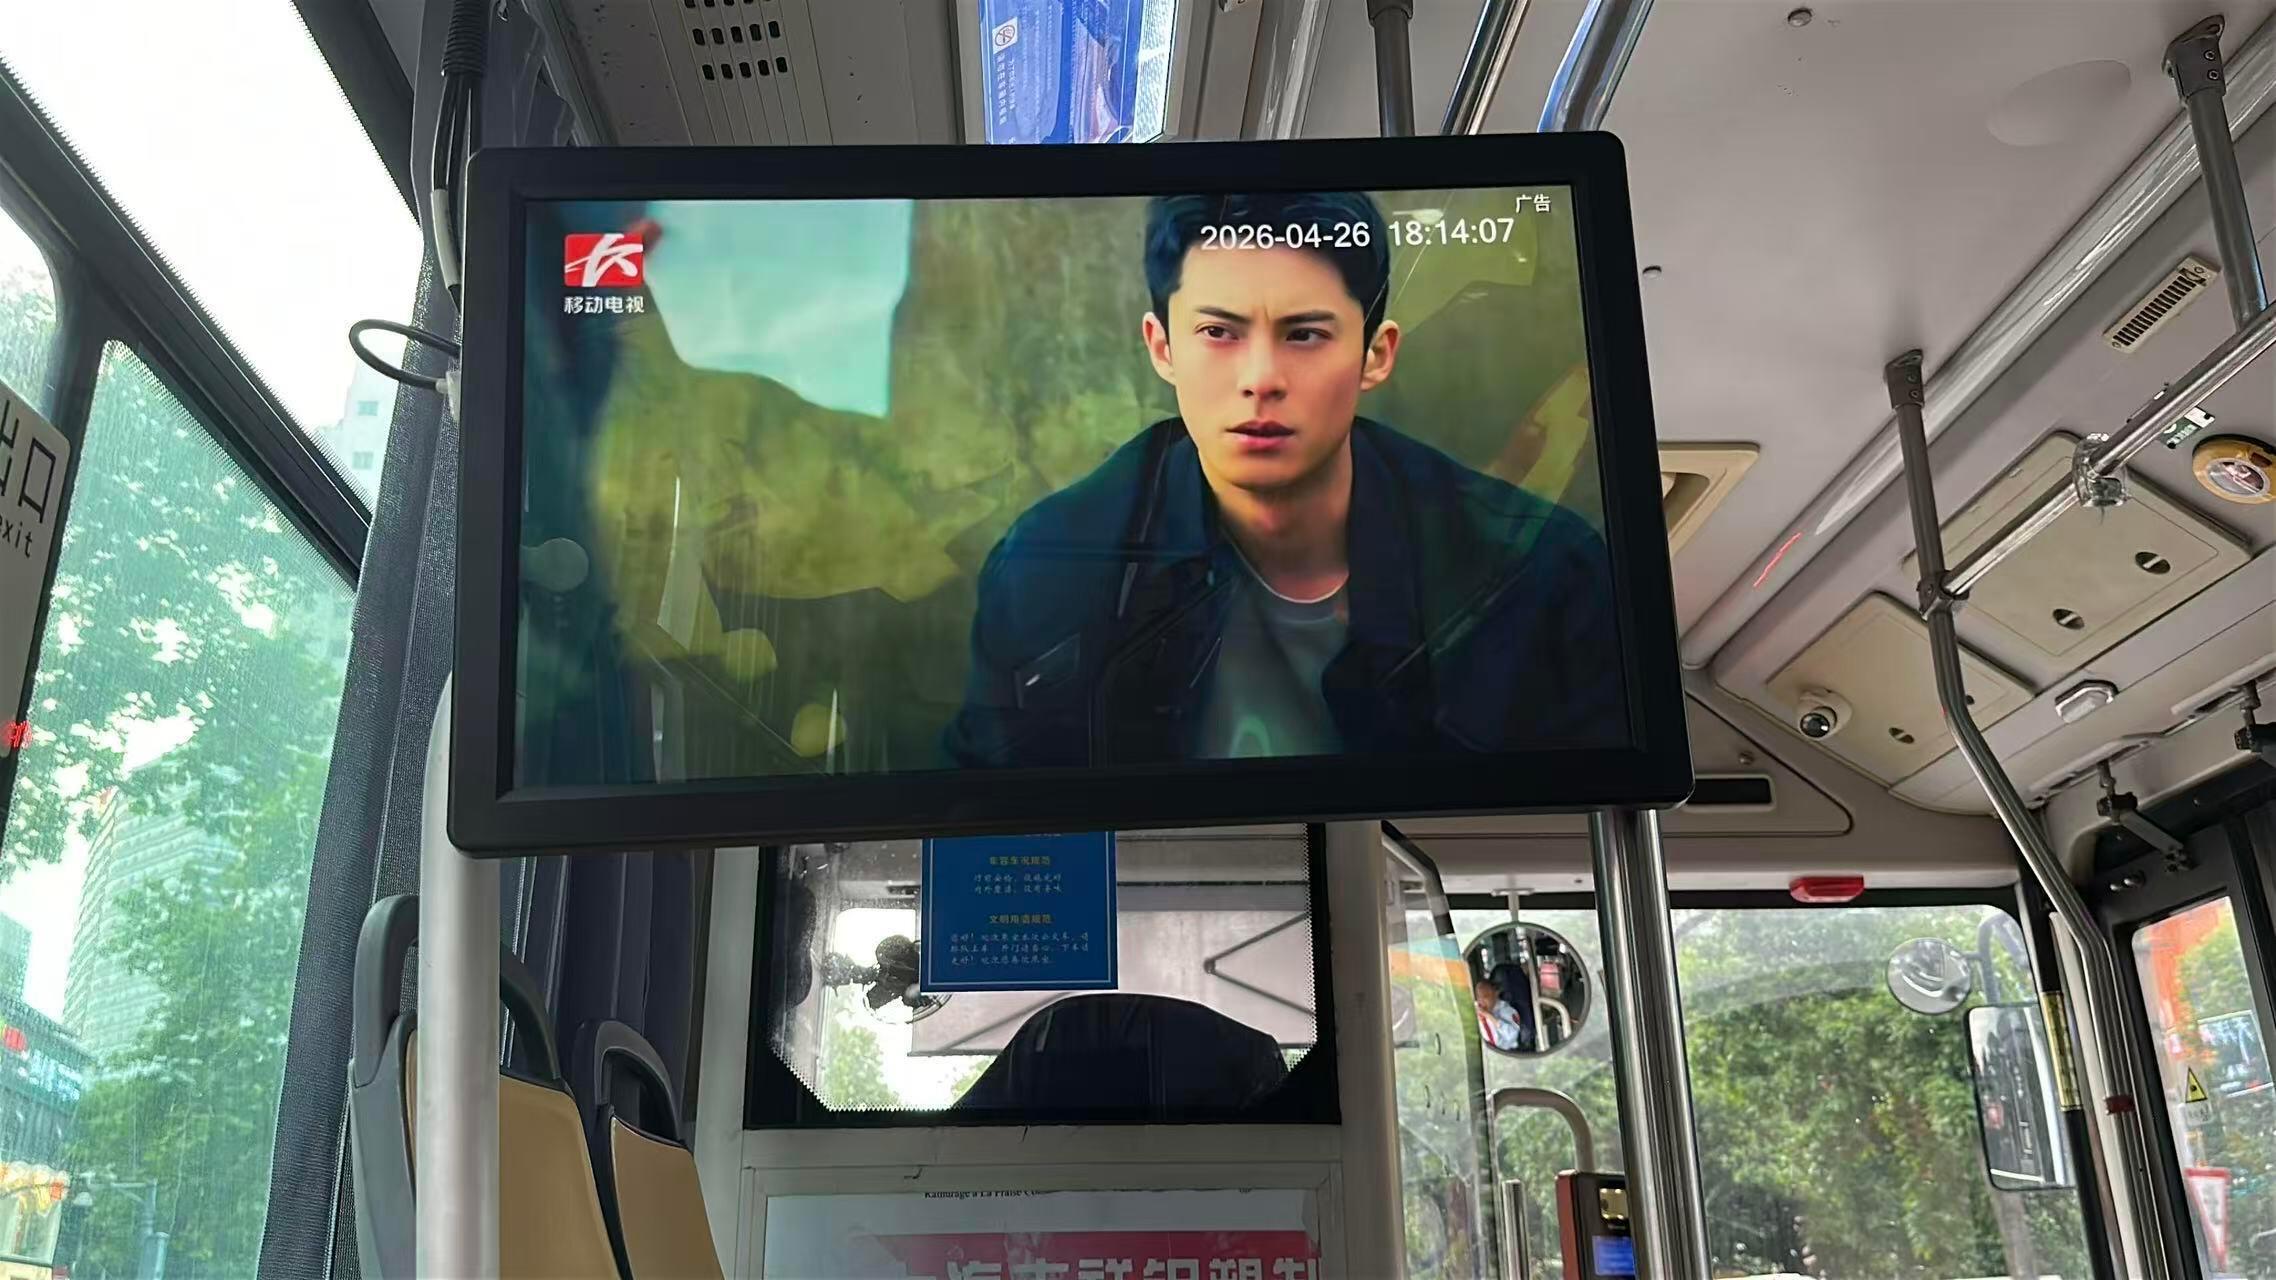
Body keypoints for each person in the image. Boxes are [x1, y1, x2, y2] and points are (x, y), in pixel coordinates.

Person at [944, 190, 1620, 768]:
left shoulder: (1543, 575)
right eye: (1219, 332)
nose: (1261, 379)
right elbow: (987, 820)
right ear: (1162, 347)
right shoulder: (1049, 568)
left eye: (1304, 335)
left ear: (1375, 353)